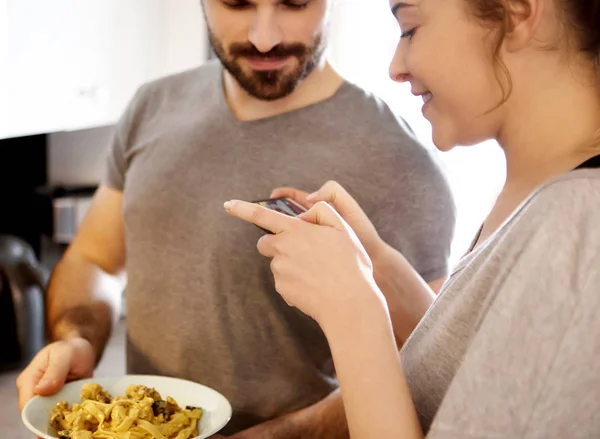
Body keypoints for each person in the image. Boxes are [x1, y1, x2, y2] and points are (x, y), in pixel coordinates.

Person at [15, 0, 456, 437]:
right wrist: (77, 339)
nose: (264, 37)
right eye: (237, 3)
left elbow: (423, 371)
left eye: (294, 3)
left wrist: (285, 434)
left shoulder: (399, 160)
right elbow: (96, 260)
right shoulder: (153, 106)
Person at [225, 0, 600, 437]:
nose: (395, 68)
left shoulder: (579, 224)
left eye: (410, 29)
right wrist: (378, 265)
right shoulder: (541, 197)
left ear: (517, 12)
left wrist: (354, 314)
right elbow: (474, 372)